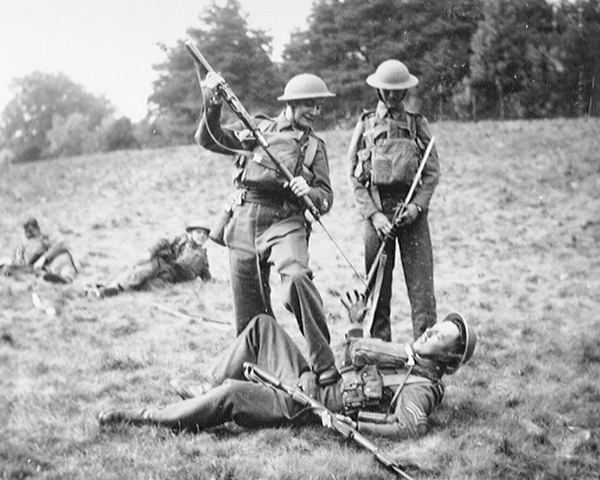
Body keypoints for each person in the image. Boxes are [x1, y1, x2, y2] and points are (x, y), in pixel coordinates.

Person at [98, 290, 476, 439]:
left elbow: (409, 429)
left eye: (440, 337)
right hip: (311, 378)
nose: (429, 334)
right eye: (434, 328)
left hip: (308, 406)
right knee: (262, 327)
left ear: (448, 359)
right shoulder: (408, 354)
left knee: (233, 395)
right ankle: (205, 387)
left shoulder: (422, 386)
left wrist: (351, 423)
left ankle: (146, 416)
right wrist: (357, 323)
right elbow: (354, 356)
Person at [195, 70, 337, 383]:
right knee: (249, 309)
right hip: (245, 218)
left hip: (286, 220)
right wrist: (213, 104)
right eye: (309, 105)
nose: (315, 112)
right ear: (292, 104)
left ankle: (325, 366)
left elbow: (325, 198)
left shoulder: (315, 147)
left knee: (297, 278)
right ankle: (252, 377)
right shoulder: (256, 128)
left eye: (318, 106)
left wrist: (309, 191)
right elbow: (209, 139)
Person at [347, 59, 441, 342]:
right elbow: (353, 176)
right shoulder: (364, 125)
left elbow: (432, 171)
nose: (391, 96)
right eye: (386, 91)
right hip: (378, 216)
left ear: (405, 92)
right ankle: (379, 352)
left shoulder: (417, 123)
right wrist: (374, 215)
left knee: (422, 290)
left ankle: (427, 355)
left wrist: (416, 207)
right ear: (378, 91)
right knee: (377, 290)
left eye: (397, 91)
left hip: (411, 215)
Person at [95, 220, 212, 298]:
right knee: (141, 271)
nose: (201, 236)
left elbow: (207, 277)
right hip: (159, 263)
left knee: (144, 287)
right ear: (190, 233)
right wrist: (150, 253)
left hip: (169, 277)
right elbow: (162, 241)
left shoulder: (202, 257)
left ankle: (111, 290)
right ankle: (110, 288)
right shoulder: (180, 239)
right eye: (198, 232)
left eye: (204, 234)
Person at [0, 217, 77, 283]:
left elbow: (61, 244)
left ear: (37, 228)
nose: (28, 235)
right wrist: (10, 262)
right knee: (10, 269)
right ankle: (51, 277)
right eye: (26, 232)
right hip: (41, 268)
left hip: (58, 262)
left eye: (30, 231)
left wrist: (43, 258)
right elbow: (28, 261)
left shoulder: (49, 236)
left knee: (63, 256)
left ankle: (66, 278)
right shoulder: (27, 245)